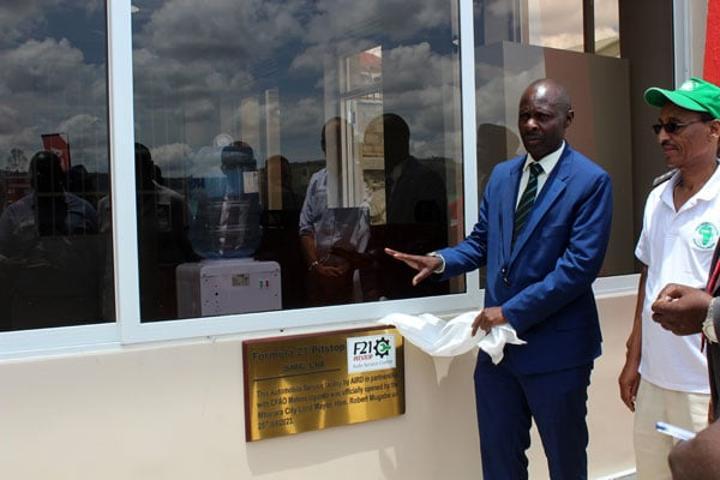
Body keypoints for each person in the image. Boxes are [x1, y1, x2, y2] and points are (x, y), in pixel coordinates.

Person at [386, 78, 613, 479]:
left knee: (565, 464)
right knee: (499, 461)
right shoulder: (503, 176)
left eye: (542, 116)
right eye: (524, 116)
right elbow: (481, 242)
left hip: (557, 352)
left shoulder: (590, 181)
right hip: (498, 354)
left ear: (568, 119)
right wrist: (441, 261)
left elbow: (578, 269)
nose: (530, 124)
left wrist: (508, 312)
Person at [617, 77, 720, 479]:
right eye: (659, 126)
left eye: (675, 126)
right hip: (655, 382)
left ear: (714, 130)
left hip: (704, 385)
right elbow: (649, 274)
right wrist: (634, 358)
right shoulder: (656, 197)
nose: (663, 136)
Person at [299, 117, 370, 306]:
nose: (335, 147)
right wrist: (316, 266)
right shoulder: (316, 181)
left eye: (341, 141)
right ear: (323, 146)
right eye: (330, 142)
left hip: (352, 274)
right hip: (318, 274)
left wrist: (349, 265)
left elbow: (369, 231)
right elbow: (305, 228)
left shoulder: (365, 181)